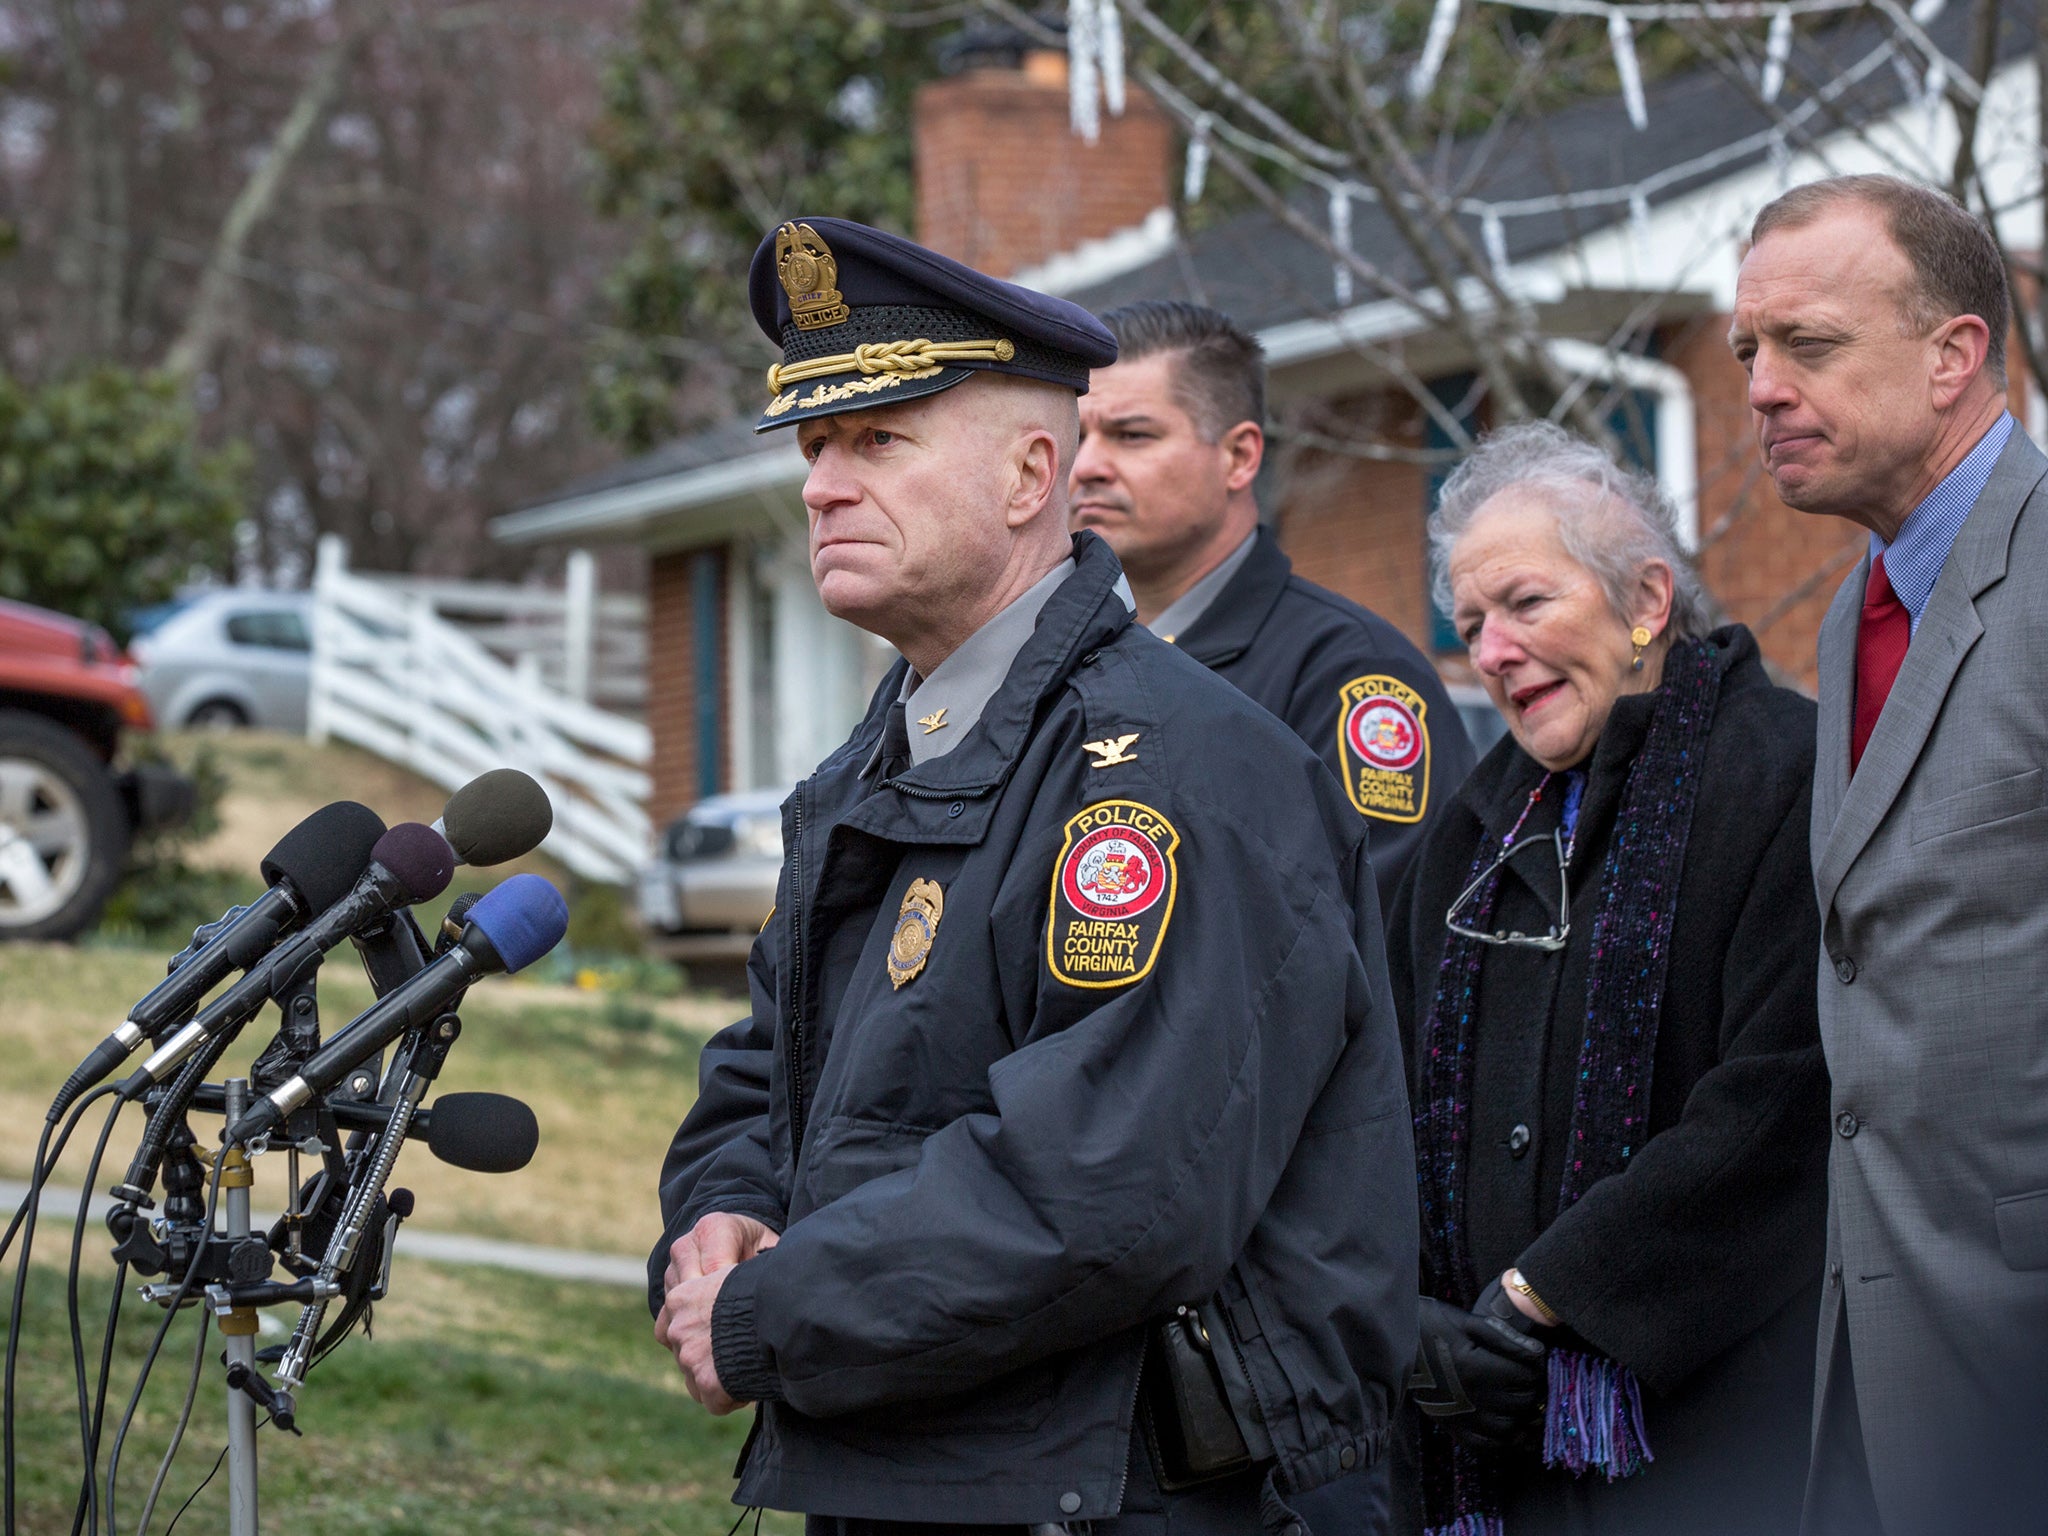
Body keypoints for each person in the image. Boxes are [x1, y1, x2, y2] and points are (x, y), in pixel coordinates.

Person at [648, 216, 1418, 1536]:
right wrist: (716, 1221)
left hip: (1123, 1494)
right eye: (817, 446)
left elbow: (1108, 1192)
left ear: (1027, 478)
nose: (822, 485)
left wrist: (773, 1310)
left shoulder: (1174, 769)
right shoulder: (872, 765)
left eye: (877, 442)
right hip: (917, 1460)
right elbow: (774, 1064)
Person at [1383, 421, 1830, 1536]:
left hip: (1714, 1437)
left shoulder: (1787, 776)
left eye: (1523, 605)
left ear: (1644, 598)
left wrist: (1546, 1301)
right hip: (1489, 1437)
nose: (1488, 650)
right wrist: (1426, 1330)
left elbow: (1782, 1098)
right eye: (1472, 623)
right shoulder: (1468, 835)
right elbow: (1376, 1099)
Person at [1731, 173, 2048, 1535]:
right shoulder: (1856, 602)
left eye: (1807, 346)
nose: (1758, 387)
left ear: (1954, 354)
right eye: (1749, 350)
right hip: (1867, 1377)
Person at [1071, 301, 1474, 913]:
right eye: (1076, 438)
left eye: (1132, 435)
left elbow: (1376, 941)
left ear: (1239, 457)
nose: (1088, 467)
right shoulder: (1054, 660)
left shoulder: (1349, 677)